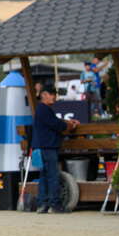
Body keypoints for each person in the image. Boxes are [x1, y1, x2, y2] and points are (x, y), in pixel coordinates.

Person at [31, 85, 79, 213]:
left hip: (41, 147)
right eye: (51, 94)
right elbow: (56, 124)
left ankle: (42, 204)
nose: (54, 97)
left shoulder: (42, 109)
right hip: (48, 147)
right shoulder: (44, 109)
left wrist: (67, 122)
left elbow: (55, 121)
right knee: (53, 176)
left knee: (44, 176)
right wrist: (70, 126)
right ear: (44, 95)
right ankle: (55, 204)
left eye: (54, 94)